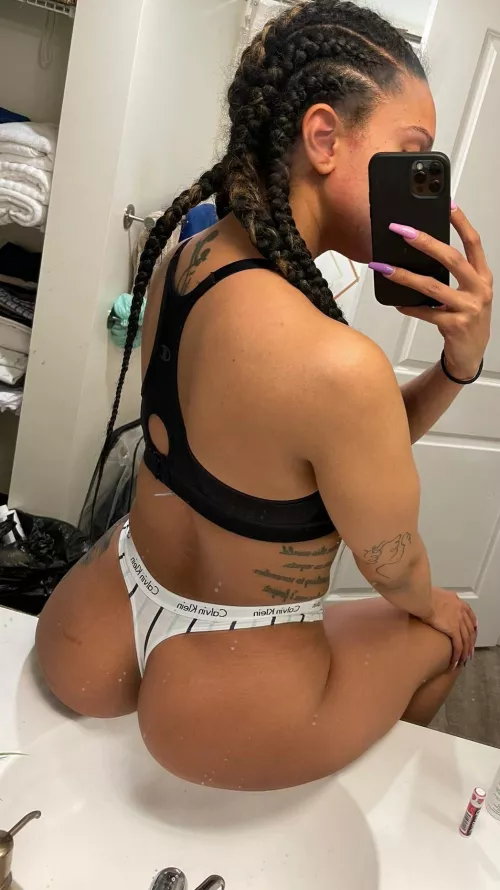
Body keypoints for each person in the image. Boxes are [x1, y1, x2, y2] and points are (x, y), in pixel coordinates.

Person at [36, 0, 492, 792]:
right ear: (323, 138)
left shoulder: (187, 259)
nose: (419, 185)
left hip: (95, 618)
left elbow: (316, 445)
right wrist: (437, 604)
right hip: (229, 687)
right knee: (445, 632)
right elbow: (395, 568)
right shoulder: (337, 365)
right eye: (410, 155)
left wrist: (452, 368)